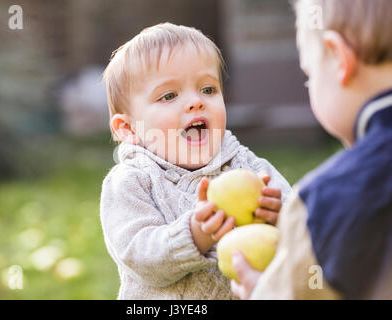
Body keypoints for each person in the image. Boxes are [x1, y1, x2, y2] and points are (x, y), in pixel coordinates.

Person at [99, 23, 291, 299]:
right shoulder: (131, 181)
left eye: (208, 89)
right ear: (128, 129)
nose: (195, 102)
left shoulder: (248, 167)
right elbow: (137, 256)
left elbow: (303, 230)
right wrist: (193, 235)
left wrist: (279, 216)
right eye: (169, 95)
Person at [231, 0, 392, 300]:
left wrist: (262, 292)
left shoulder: (323, 202)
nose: (310, 84)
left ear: (339, 58)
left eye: (309, 74)